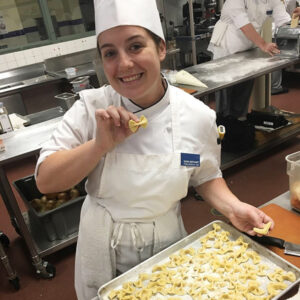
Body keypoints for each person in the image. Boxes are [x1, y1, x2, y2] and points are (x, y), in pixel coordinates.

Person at [35, 0, 274, 299]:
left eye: (135, 47)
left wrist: (233, 207)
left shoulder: (196, 116)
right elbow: (45, 181)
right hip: (101, 241)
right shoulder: (91, 108)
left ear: (161, 48)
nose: (123, 64)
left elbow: (206, 175)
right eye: (110, 53)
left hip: (165, 240)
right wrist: (99, 146)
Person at [208, 0, 291, 118]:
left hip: (247, 50)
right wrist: (263, 44)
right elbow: (243, 24)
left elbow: (283, 20)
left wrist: (294, 29)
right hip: (226, 51)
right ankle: (224, 129)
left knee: (242, 96)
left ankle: (240, 127)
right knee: (225, 101)